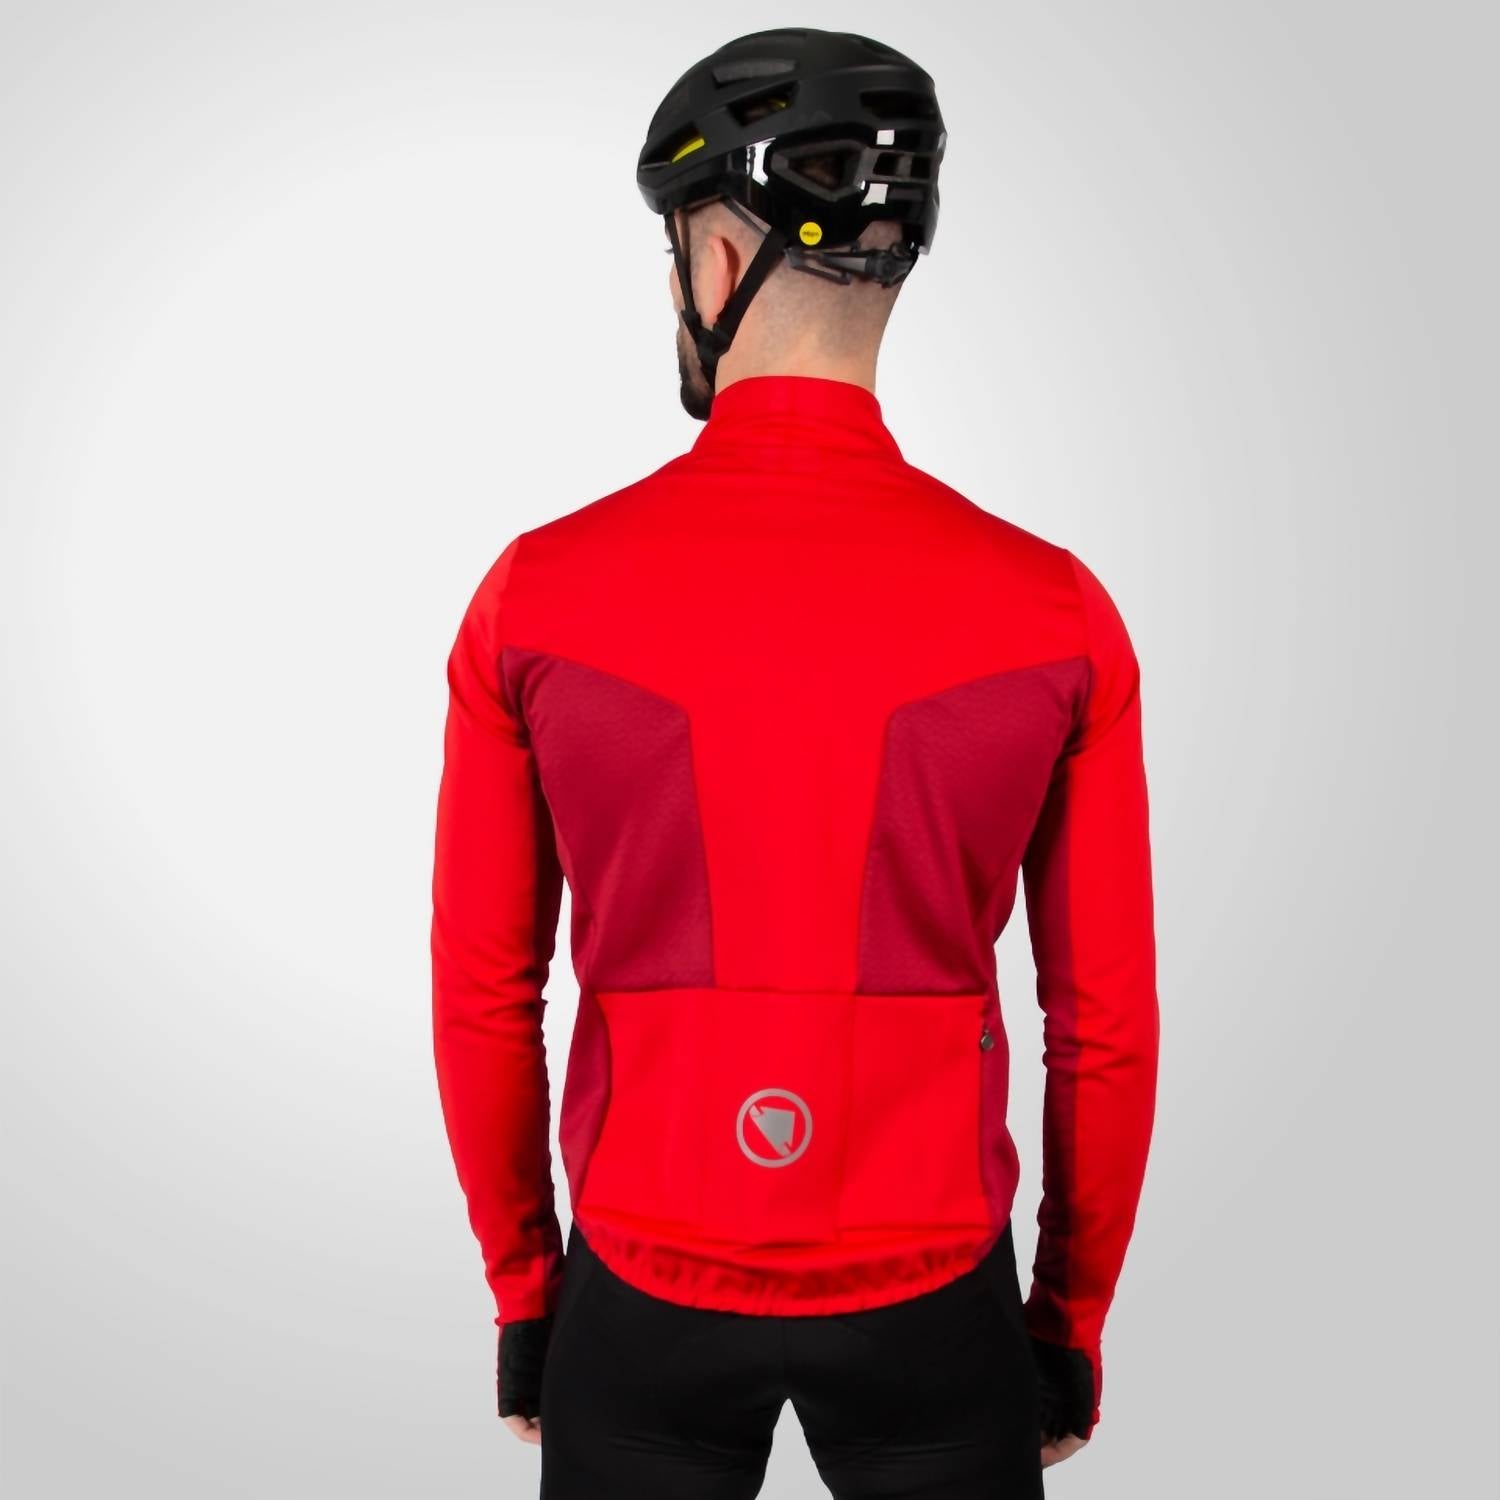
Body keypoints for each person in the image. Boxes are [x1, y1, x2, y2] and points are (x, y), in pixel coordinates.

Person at [430, 26, 1160, 1498]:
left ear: (712, 259)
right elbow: (1104, 1023)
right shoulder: (1057, 610)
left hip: (641, 1279)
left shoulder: (535, 596)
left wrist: (526, 1291)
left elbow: (485, 989)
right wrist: (1066, 1318)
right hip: (935, 1292)